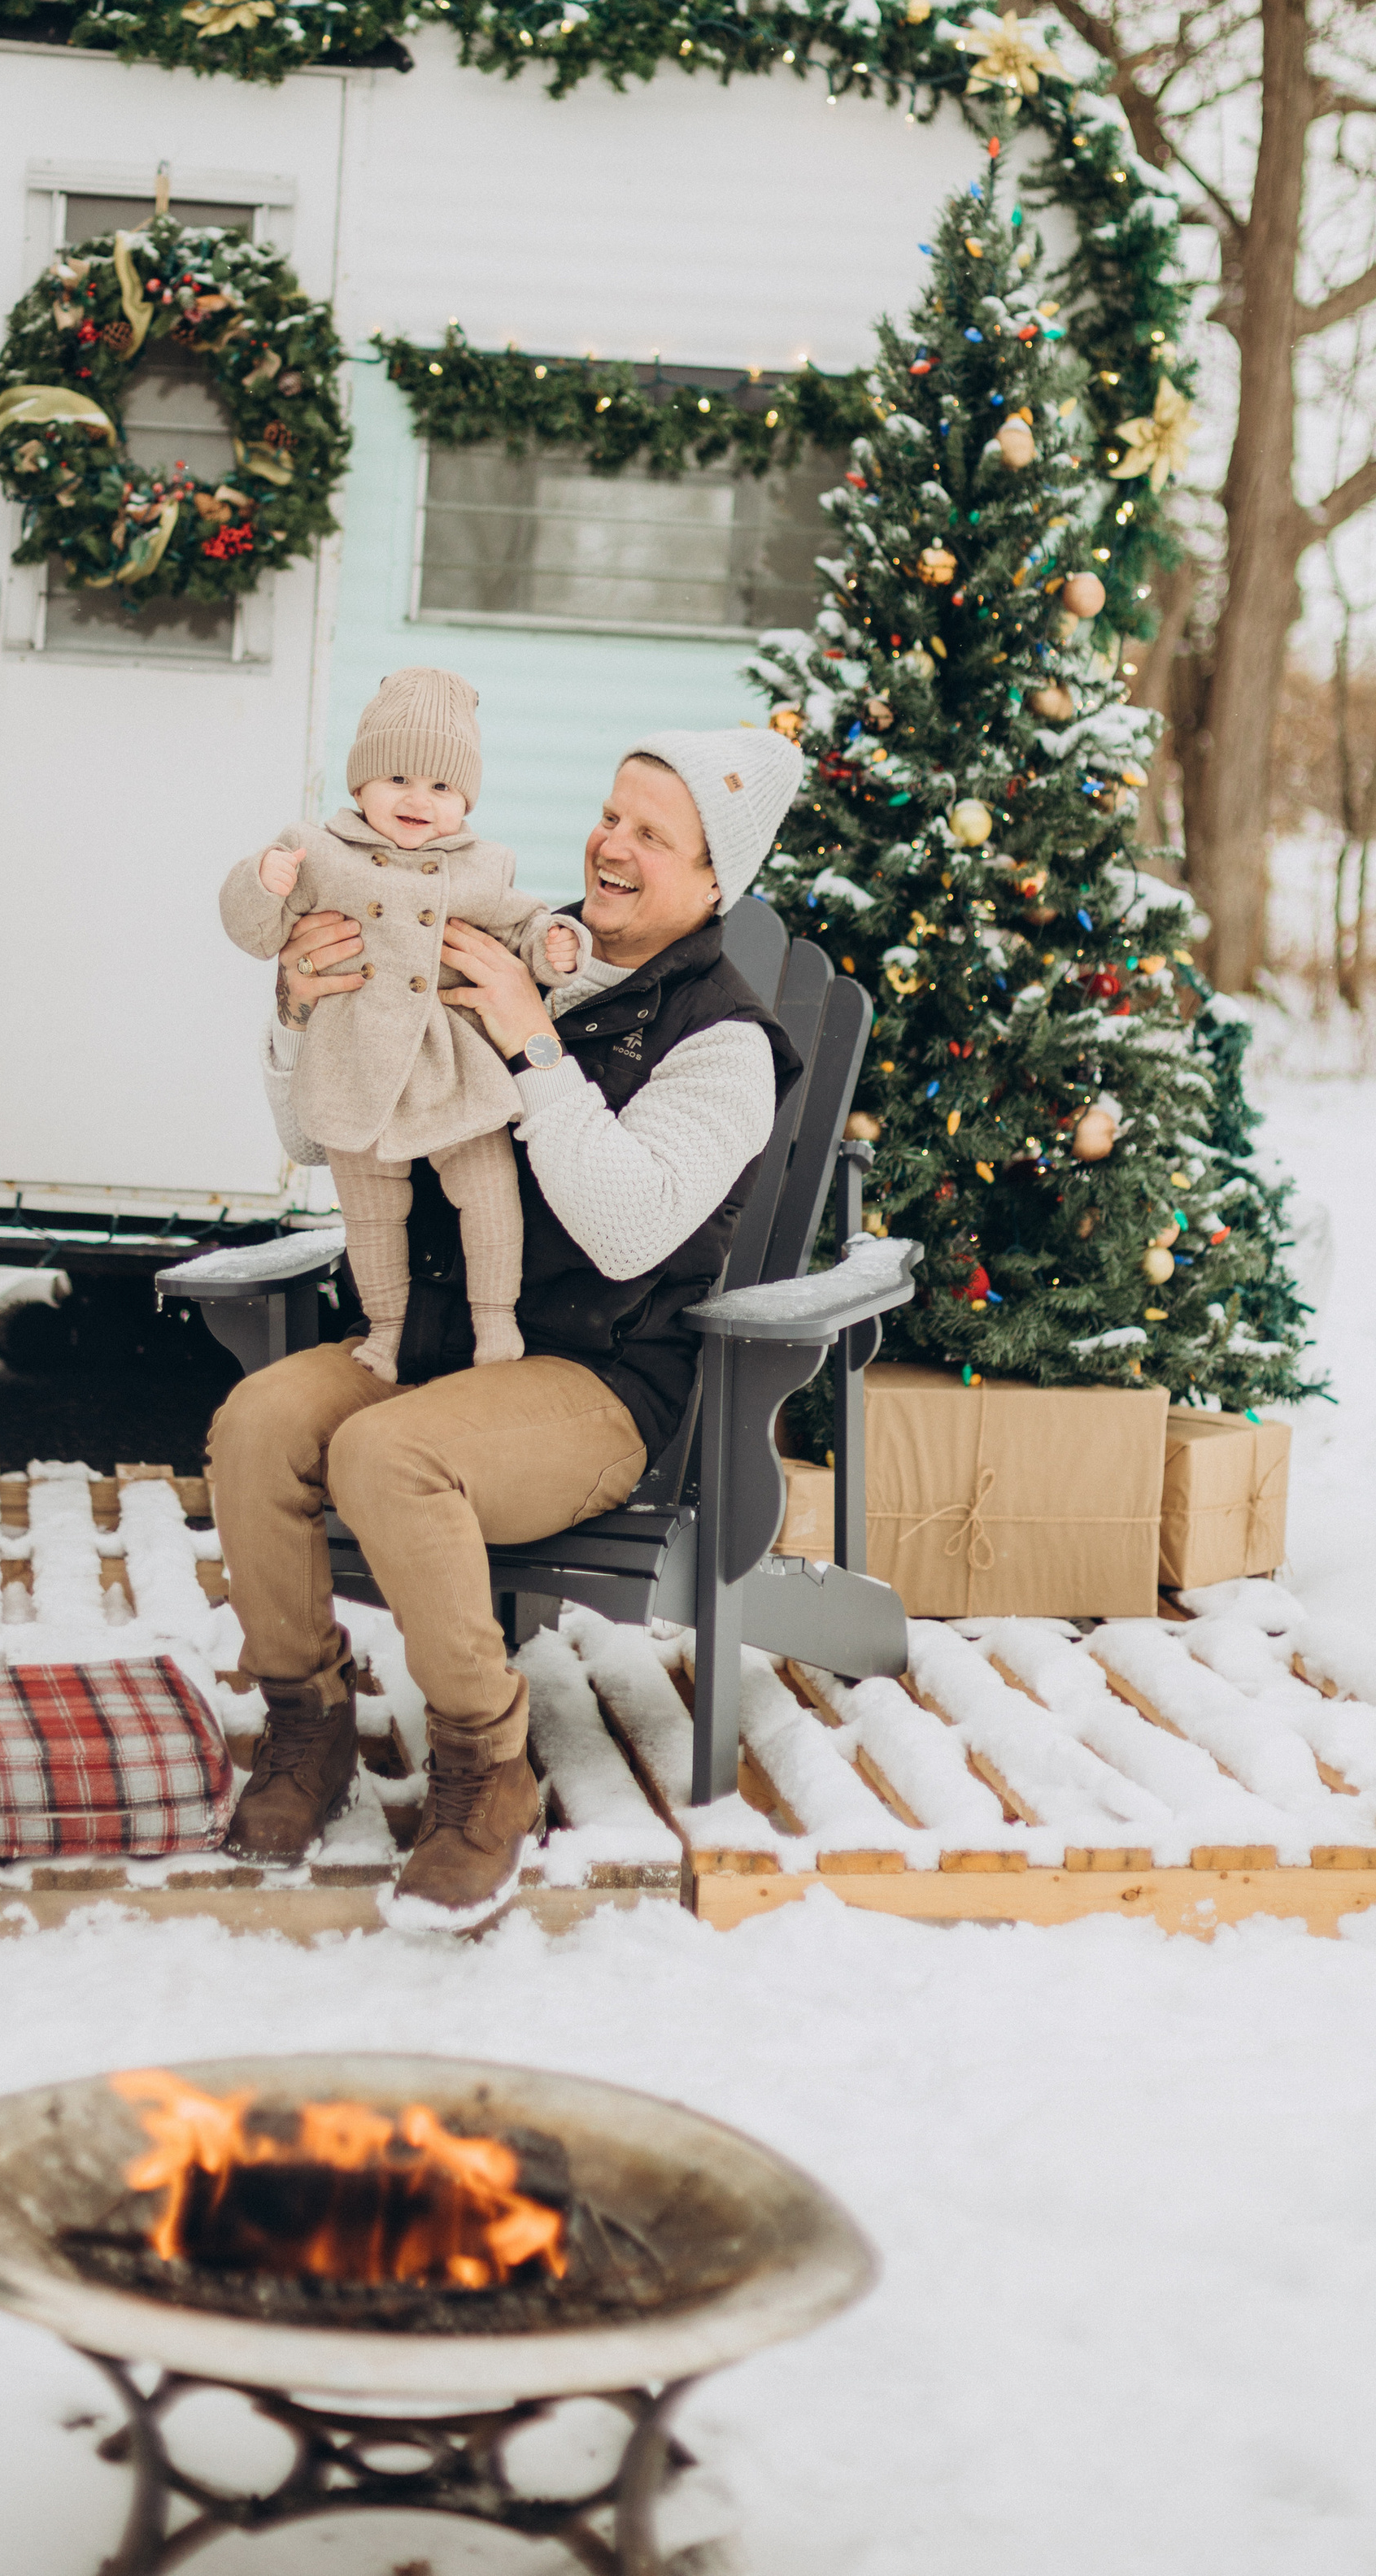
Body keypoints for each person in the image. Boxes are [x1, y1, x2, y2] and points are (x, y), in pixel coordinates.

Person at [208, 724, 807, 1930]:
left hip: (597, 1381)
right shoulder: (512, 946)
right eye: (611, 812)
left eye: (653, 833)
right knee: (259, 1419)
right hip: (432, 1339)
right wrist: (297, 1010)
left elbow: (627, 1228)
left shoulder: (724, 1041)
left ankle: (487, 1771)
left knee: (390, 1453)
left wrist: (533, 1039)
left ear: (713, 884)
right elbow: (320, 1139)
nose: (612, 844)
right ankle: (307, 1723)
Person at [220, 669, 588, 1378]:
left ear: (465, 801)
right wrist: (259, 881)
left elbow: (522, 929)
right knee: (370, 1211)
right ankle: (385, 1330)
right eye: (396, 778)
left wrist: (554, 946)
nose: (419, 800)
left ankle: (495, 1324)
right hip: (355, 1058)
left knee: (487, 1190)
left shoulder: (483, 866)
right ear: (359, 786)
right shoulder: (316, 851)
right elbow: (256, 934)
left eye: (442, 788)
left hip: (454, 1064)